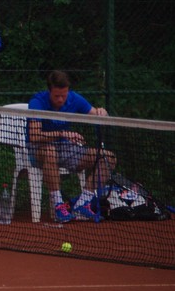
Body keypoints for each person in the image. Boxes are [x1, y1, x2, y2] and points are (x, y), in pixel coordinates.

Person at [27, 70, 117, 223]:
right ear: (49, 91)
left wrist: (102, 112)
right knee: (50, 151)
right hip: (39, 149)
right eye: (57, 96)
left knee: (108, 158)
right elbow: (34, 136)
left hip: (66, 148)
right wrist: (62, 133)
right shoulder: (37, 102)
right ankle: (58, 205)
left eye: (64, 95)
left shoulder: (74, 98)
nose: (61, 99)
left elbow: (95, 113)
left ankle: (83, 203)